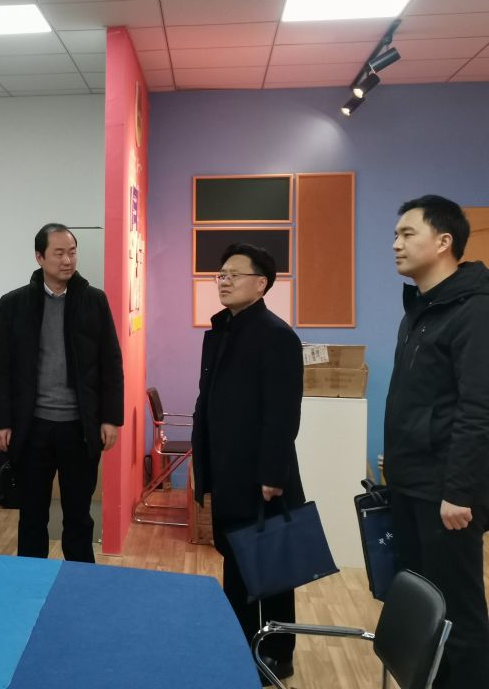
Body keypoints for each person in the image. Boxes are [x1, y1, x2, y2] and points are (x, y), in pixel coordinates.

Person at [385, 195, 489, 689]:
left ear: (444, 241)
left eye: (408, 234)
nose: (396, 244)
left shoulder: (475, 310)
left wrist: (460, 491)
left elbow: (479, 409)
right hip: (410, 485)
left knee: (458, 617)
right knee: (424, 613)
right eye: (396, 234)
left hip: (447, 495)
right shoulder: (420, 311)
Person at [190, 243, 304, 685]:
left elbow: (282, 414)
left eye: (234, 274)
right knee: (236, 562)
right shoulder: (224, 329)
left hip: (260, 476)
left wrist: (273, 474)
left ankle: (277, 653)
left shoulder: (276, 335)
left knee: (270, 568)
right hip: (227, 467)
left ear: (261, 284)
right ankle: (239, 644)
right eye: (221, 274)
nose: (223, 280)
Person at [0, 223, 123, 563]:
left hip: (80, 427)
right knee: (32, 514)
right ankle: (30, 582)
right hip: (32, 427)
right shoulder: (14, 303)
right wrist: (1, 421)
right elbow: (1, 368)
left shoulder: (94, 301)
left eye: (72, 252)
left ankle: (79, 581)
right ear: (39, 257)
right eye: (59, 253)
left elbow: (111, 362)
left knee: (78, 515)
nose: (67, 260)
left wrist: (111, 418)